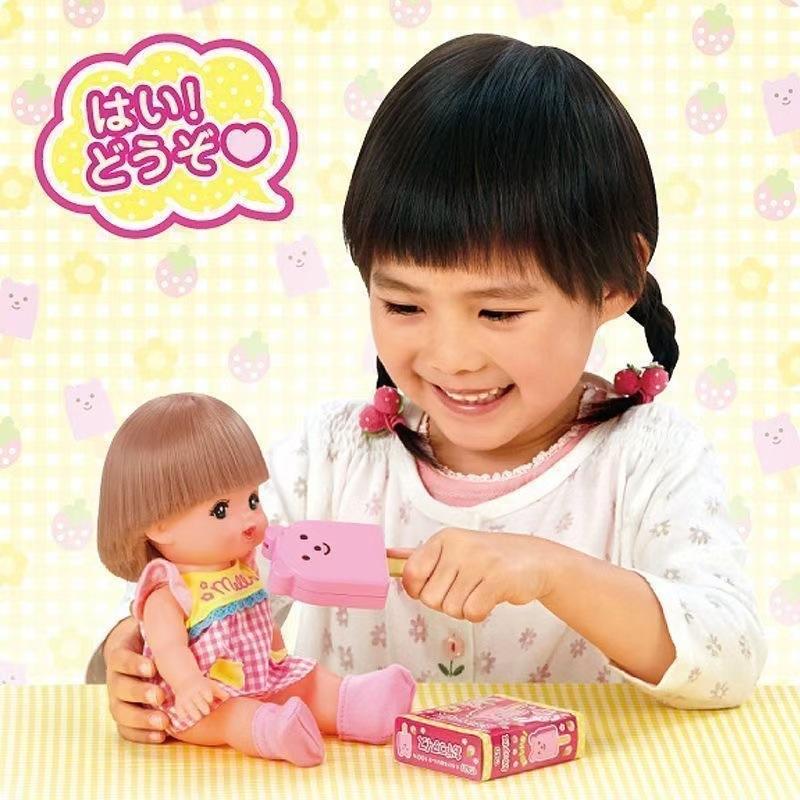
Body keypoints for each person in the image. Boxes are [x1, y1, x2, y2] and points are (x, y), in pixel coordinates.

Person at [91, 33, 767, 745]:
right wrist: (134, 664)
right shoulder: (332, 457)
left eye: (498, 312)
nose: (450, 357)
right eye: (404, 304)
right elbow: (195, 594)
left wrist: (553, 571)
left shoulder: (648, 460)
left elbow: (729, 660)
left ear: (614, 284)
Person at [94, 392, 414, 760]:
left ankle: (354, 705)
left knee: (309, 680)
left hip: (260, 674)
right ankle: (273, 733)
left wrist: (276, 649)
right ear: (160, 525)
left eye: (252, 500)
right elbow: (168, 647)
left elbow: (258, 615)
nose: (250, 518)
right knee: (234, 715)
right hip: (205, 697)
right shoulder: (168, 591)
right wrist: (189, 683)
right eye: (220, 510)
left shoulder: (244, 567)